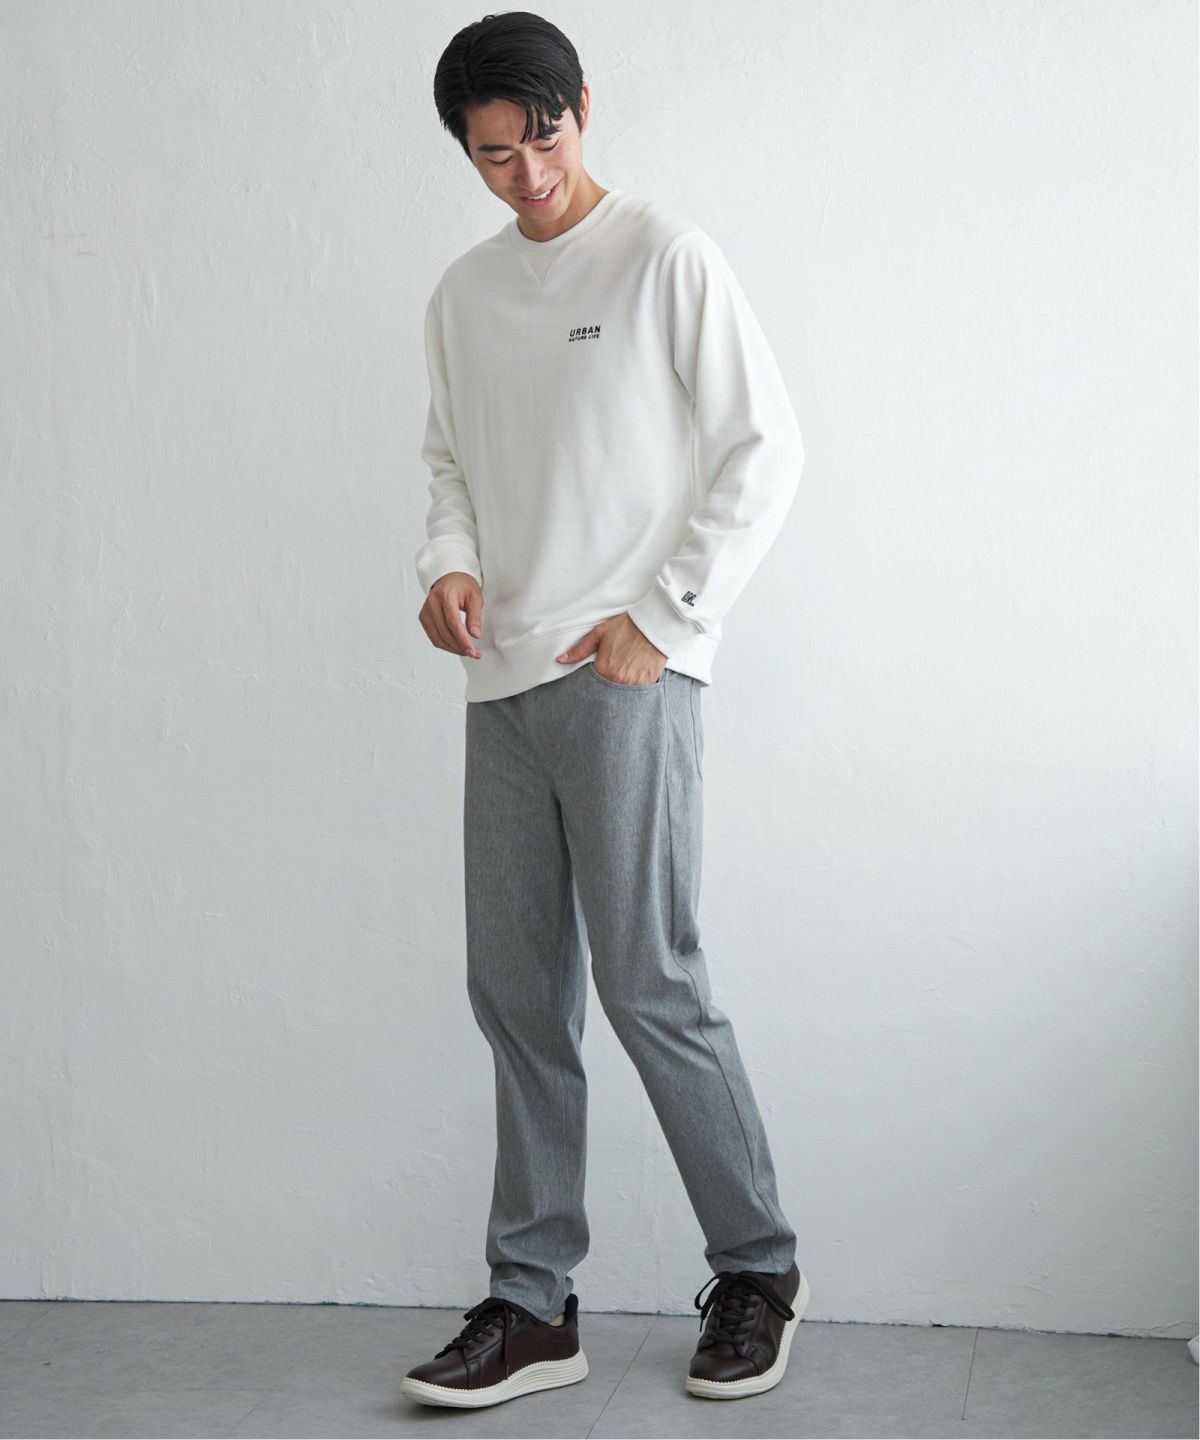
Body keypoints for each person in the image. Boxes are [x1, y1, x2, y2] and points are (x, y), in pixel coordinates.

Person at [401, 10, 810, 1410]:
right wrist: (446, 566)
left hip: (626, 673)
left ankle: (758, 1269)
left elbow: (765, 448)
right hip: (502, 683)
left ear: (583, 103)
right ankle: (534, 1304)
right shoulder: (463, 293)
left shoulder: (663, 256)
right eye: (492, 156)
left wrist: (667, 617)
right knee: (516, 997)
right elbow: (449, 465)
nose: (527, 177)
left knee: (651, 982)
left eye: (544, 140)